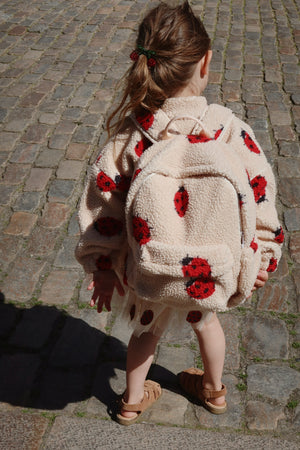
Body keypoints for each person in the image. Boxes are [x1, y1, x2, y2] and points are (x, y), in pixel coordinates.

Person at [75, 1, 283, 425]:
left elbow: (104, 207)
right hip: (209, 273)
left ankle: (132, 401)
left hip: (151, 270)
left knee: (144, 332)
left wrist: (101, 266)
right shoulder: (229, 130)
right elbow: (261, 195)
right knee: (207, 325)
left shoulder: (133, 136)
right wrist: (263, 257)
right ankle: (214, 390)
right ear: (205, 62)